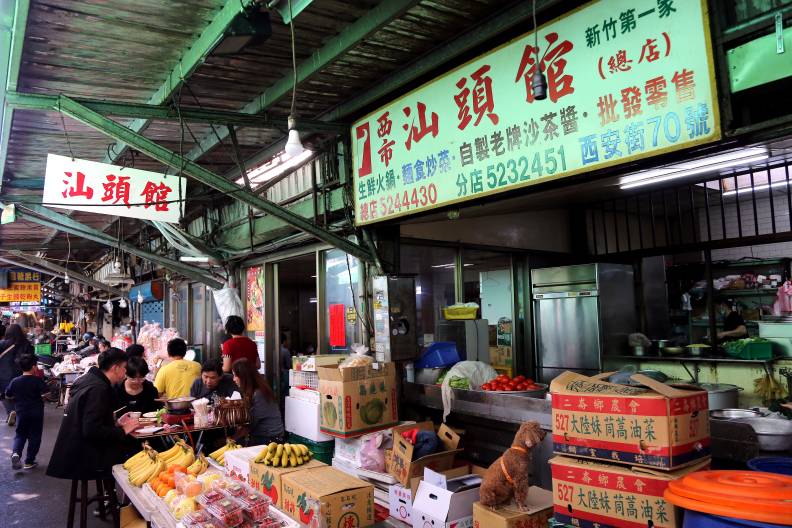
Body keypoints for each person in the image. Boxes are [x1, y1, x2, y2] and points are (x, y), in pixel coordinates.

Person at [46, 348, 140, 483]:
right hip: (83, 455)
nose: (126, 372)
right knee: (133, 453)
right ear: (115, 368)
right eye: (124, 368)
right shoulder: (98, 389)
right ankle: (123, 492)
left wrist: (115, 423)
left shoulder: (89, 379)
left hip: (72, 448)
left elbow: (91, 420)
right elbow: (91, 430)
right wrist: (123, 430)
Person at [6, 354, 48, 469]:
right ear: (33, 367)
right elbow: (47, 393)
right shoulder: (37, 381)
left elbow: (8, 395)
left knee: (20, 434)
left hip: (21, 412)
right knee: (35, 436)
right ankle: (29, 461)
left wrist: (17, 398)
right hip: (36, 412)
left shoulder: (15, 381)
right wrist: (41, 397)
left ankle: (16, 453)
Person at [231, 359, 284, 446]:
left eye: (235, 375)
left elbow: (251, 423)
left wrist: (233, 439)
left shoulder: (259, 394)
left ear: (244, 376)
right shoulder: (254, 391)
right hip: (262, 436)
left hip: (271, 440)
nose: (234, 379)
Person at [0, 323, 33, 426]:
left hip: (4, 374)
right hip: (21, 373)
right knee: (20, 394)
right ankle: (19, 413)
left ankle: (11, 412)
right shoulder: (26, 344)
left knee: (5, 394)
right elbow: (32, 358)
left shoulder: (2, 344)